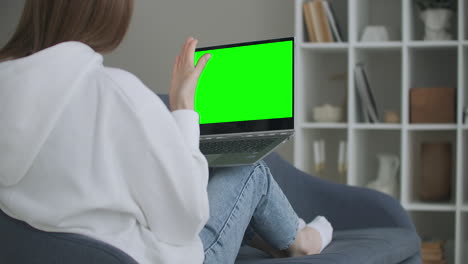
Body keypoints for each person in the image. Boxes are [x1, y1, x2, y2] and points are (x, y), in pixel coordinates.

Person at [0, 1, 333, 263]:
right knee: (249, 171)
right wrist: (183, 108)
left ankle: (280, 236)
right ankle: (302, 241)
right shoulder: (116, 93)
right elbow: (184, 222)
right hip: (148, 257)